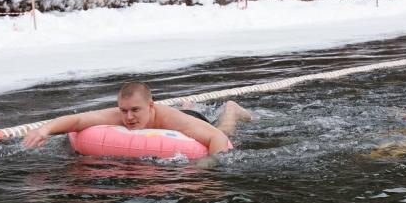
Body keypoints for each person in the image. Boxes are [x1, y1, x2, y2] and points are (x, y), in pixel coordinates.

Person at [23, 81, 252, 155]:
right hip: (176, 118)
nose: (129, 118)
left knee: (225, 128)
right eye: (124, 110)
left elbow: (217, 139)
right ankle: (186, 104)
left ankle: (231, 108)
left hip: (188, 120)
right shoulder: (119, 115)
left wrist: (206, 169)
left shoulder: (169, 118)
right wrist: (45, 130)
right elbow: (78, 121)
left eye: (135, 110)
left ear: (150, 106)